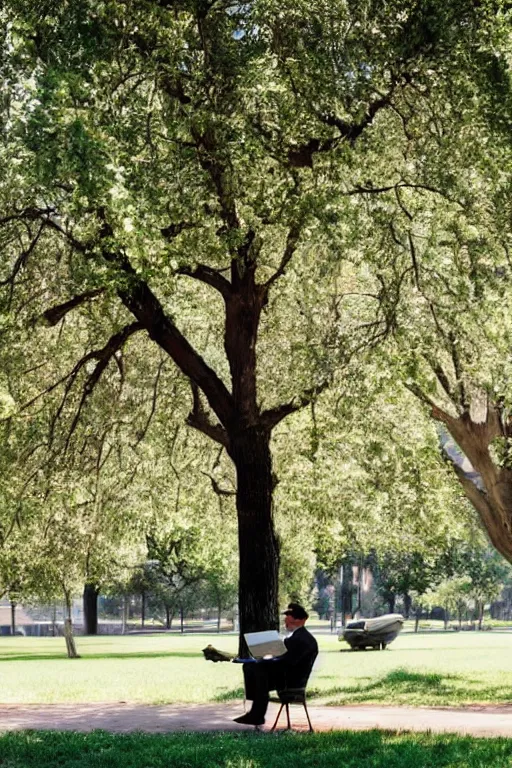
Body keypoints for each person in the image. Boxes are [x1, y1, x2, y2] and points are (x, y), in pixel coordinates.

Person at [233, 603, 318, 726]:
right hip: (289, 676)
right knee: (252, 667)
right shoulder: (299, 637)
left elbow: (289, 662)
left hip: (292, 680)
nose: (285, 620)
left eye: (289, 616)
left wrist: (266, 660)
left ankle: (257, 714)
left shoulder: (301, 639)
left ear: (299, 619)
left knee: (257, 670)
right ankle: (256, 712)